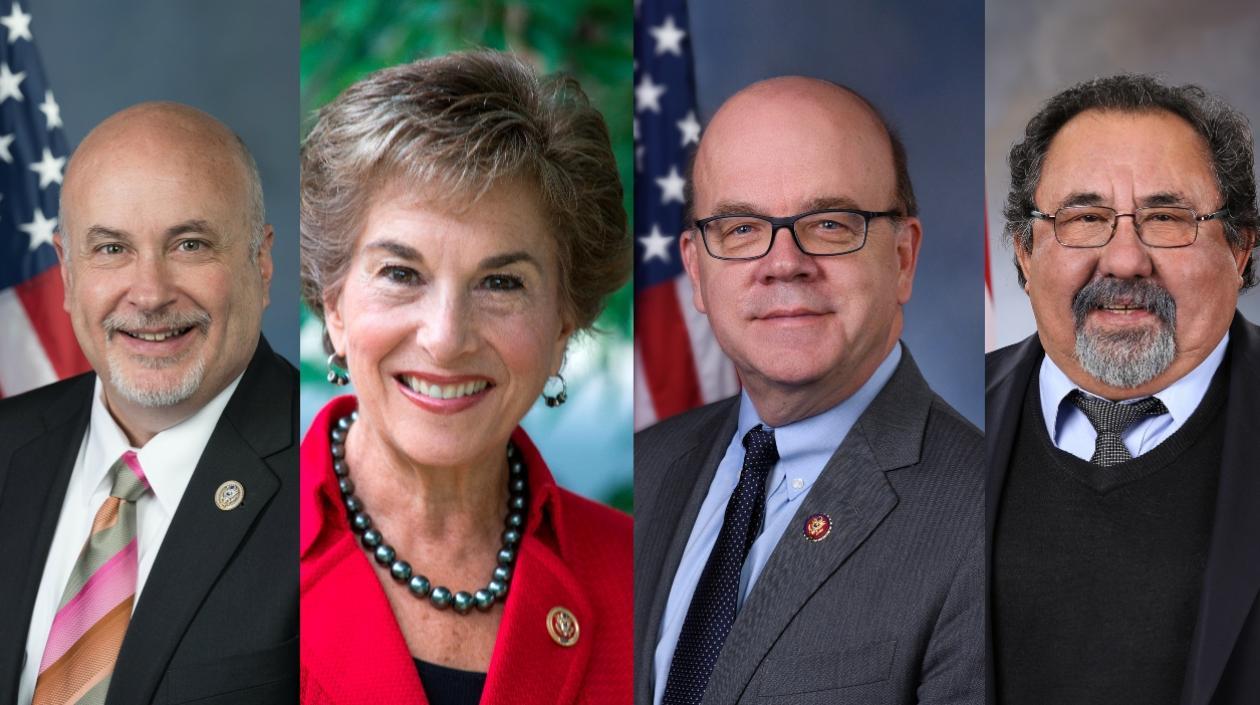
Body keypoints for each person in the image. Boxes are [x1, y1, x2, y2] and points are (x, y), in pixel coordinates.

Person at [634, 77, 984, 705]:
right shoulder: (649, 465)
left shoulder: (986, 521)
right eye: (741, 228)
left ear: (903, 258)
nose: (784, 261)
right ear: (695, 267)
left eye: (828, 223)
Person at [298, 51, 632, 705]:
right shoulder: (224, 555)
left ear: (564, 321)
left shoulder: (643, 573)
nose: (446, 337)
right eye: (400, 273)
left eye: (502, 282)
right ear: (334, 304)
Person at [0, 102, 297, 704]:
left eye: (189, 244)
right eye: (111, 249)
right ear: (65, 271)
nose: (150, 293)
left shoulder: (330, 470)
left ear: (261, 264)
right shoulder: (9, 443)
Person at [988, 74, 1260, 705]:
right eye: (1085, 218)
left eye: (1167, 218)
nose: (1125, 260)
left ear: (1241, 248)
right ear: (1024, 253)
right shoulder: (946, 422)